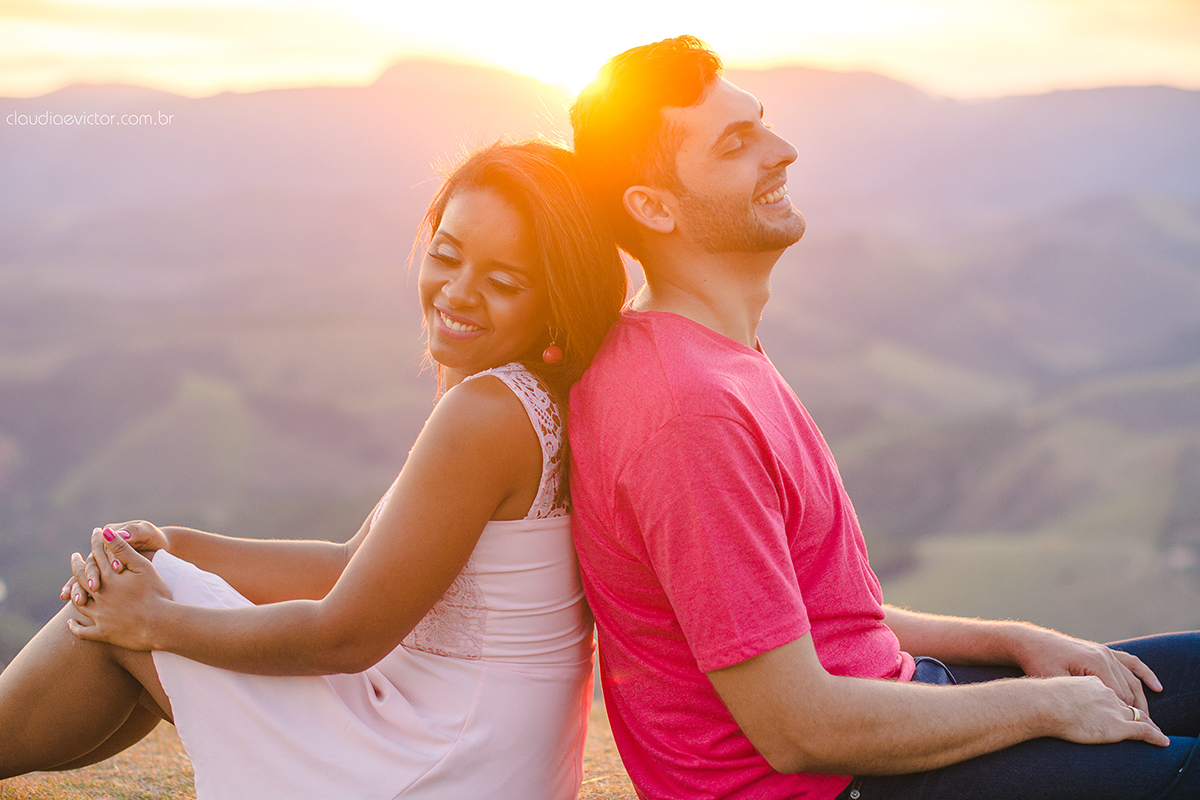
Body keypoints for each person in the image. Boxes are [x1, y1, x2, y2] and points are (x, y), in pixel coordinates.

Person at [566, 35, 1200, 800]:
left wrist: (1020, 642)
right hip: (838, 781)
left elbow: (821, 614)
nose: (784, 150)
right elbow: (799, 730)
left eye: (763, 122)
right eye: (738, 144)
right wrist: (1042, 704)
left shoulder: (706, 356)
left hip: (887, 705)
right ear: (652, 207)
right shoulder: (688, 413)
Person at [0, 139, 628, 799]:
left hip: (437, 764)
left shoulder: (489, 412)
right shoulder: (529, 393)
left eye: (503, 282)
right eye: (445, 255)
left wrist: (153, 620)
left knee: (118, 605)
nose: (459, 292)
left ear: (555, 296)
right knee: (136, 586)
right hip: (475, 750)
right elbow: (351, 564)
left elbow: (343, 636)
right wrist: (177, 545)